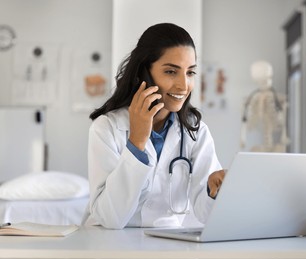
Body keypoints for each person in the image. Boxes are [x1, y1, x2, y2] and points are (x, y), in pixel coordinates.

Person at [82, 23, 225, 229]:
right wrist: (137, 142)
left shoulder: (196, 131)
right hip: (111, 243)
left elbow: (204, 213)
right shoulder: (107, 128)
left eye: (190, 73)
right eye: (170, 71)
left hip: (167, 244)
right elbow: (110, 218)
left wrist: (213, 190)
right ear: (144, 72)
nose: (184, 86)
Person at [241, 60, 289, 152]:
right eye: (263, 79)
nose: (266, 82)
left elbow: (282, 111)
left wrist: (284, 134)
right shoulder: (252, 98)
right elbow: (244, 116)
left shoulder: (277, 98)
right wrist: (242, 137)